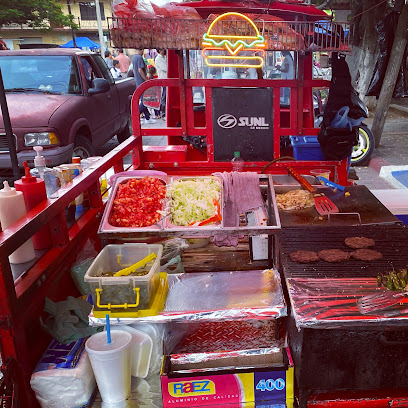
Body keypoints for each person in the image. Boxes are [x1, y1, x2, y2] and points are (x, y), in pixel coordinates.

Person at [132, 49, 156, 124]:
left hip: (137, 81)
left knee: (144, 100)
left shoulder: (133, 57)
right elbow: (140, 70)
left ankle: (147, 117)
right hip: (141, 81)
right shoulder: (139, 58)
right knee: (145, 100)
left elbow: (134, 70)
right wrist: (146, 80)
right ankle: (135, 115)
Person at [155, 48, 167, 117]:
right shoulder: (158, 59)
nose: (163, 50)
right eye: (162, 50)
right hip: (163, 79)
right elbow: (165, 68)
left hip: (166, 78)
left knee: (165, 95)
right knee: (164, 96)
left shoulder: (164, 57)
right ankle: (163, 112)